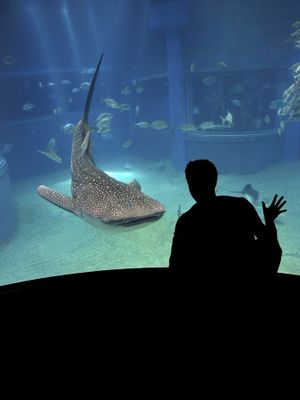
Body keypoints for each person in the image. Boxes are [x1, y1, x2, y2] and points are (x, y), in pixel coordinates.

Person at [169, 159, 287, 282]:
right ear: (215, 182)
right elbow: (269, 245)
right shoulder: (241, 205)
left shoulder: (185, 221)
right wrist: (270, 221)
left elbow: (175, 265)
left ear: (190, 186)